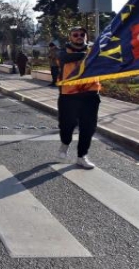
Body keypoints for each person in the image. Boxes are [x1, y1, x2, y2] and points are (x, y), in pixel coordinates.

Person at [57, 26, 100, 169]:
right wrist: (88, 55)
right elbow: (65, 58)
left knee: (88, 127)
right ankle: (65, 143)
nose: (79, 36)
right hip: (69, 95)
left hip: (90, 94)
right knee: (67, 124)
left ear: (86, 37)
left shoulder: (94, 50)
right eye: (75, 34)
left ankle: (82, 156)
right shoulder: (63, 51)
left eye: (82, 34)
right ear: (70, 37)